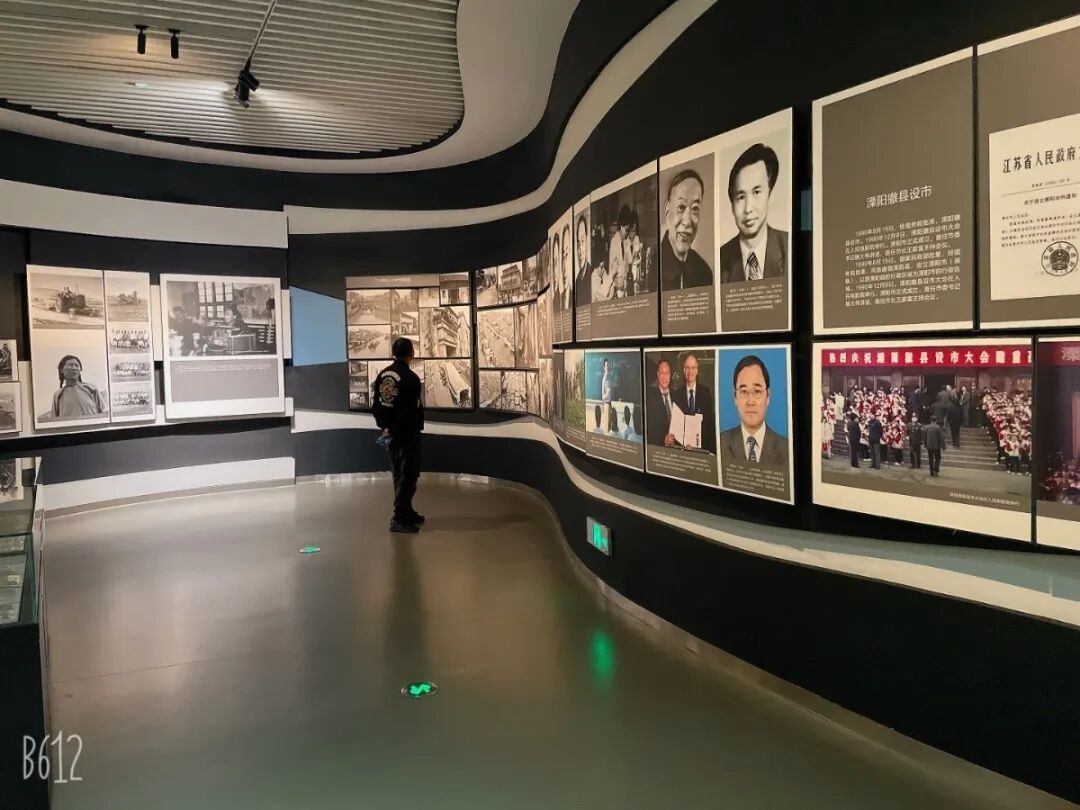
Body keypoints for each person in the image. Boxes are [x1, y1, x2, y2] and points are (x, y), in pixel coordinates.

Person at [371, 338, 425, 534]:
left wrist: (386, 427)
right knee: (408, 475)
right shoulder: (411, 378)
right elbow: (411, 410)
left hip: (389, 433)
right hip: (406, 434)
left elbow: (377, 405)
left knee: (399, 474)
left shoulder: (383, 375)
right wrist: (402, 428)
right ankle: (399, 517)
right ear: (411, 353)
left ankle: (407, 510)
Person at [719, 143, 788, 283]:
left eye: (756, 192)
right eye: (741, 197)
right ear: (732, 205)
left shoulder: (790, 247)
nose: (748, 208)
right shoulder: (720, 260)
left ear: (770, 193)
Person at [719, 355, 789, 467]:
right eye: (744, 391)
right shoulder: (719, 444)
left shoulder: (787, 449)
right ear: (735, 397)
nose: (750, 401)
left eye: (757, 391)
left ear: (768, 396)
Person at [660, 169, 713, 292]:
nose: (687, 221)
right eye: (681, 207)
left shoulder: (704, 273)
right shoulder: (652, 265)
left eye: (695, 208)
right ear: (667, 211)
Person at [671, 352, 715, 453]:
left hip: (702, 450)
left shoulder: (706, 393)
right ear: (684, 370)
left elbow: (709, 425)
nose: (690, 371)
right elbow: (676, 426)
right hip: (682, 450)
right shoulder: (676, 395)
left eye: (693, 367)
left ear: (697, 370)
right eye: (687, 367)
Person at [50, 354, 107, 420]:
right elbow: (54, 420)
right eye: (70, 365)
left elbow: (104, 412)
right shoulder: (58, 395)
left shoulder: (91, 388)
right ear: (61, 370)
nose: (74, 368)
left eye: (77, 365)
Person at [646, 358, 677, 447]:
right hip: (659, 448)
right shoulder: (649, 397)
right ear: (658, 374)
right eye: (662, 373)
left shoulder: (677, 396)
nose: (664, 377)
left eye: (667, 373)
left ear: (670, 375)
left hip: (677, 448)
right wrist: (663, 439)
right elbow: (648, 429)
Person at [575, 214, 593, 306]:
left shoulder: (592, 274)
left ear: (587, 241)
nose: (580, 250)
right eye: (578, 243)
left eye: (582, 241)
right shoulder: (577, 280)